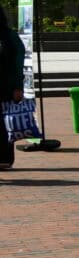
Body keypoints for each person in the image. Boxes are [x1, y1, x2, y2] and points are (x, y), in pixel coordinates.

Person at [0, 10, 24, 169]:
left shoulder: (9, 36)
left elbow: (18, 62)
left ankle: (5, 158)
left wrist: (17, 86)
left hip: (5, 87)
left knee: (4, 124)